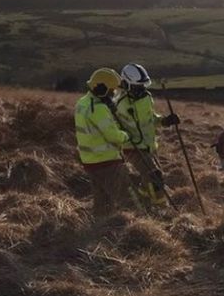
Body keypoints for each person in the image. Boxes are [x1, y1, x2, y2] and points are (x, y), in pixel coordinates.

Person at [114, 63, 179, 208]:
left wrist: (165, 121)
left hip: (149, 145)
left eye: (143, 86)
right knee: (154, 176)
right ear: (126, 84)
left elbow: (151, 119)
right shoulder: (119, 104)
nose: (141, 90)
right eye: (137, 87)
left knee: (150, 177)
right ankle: (162, 209)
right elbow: (114, 127)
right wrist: (125, 138)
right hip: (132, 147)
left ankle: (142, 200)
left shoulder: (146, 98)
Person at [74, 68, 133, 218]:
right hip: (106, 161)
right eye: (112, 91)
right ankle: (126, 227)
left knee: (102, 200)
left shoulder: (82, 102)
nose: (113, 94)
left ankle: (99, 228)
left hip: (90, 161)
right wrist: (126, 136)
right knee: (125, 197)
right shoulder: (98, 108)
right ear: (102, 89)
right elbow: (113, 136)